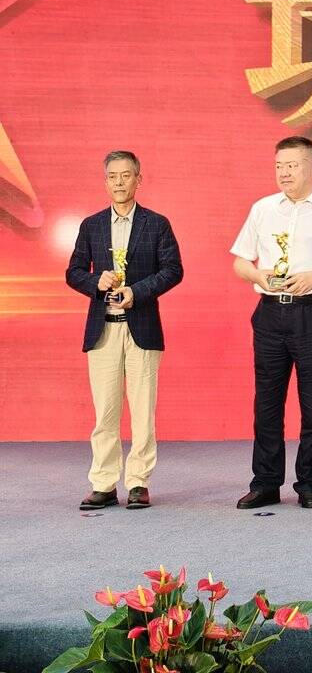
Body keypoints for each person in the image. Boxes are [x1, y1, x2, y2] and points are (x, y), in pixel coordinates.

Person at [230, 136, 312, 509]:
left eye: (292, 165)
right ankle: (265, 482)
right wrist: (258, 275)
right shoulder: (262, 209)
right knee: (267, 402)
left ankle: (308, 483)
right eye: (279, 166)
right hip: (270, 312)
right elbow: (240, 261)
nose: (284, 173)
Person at [65, 151, 184, 511]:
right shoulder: (91, 225)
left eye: (126, 175)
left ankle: (138, 482)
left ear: (138, 179)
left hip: (142, 329)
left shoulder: (157, 223)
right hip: (102, 330)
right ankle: (103, 484)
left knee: (143, 411)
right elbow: (73, 272)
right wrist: (95, 282)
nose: (119, 182)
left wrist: (137, 291)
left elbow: (173, 270)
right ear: (106, 182)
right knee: (105, 412)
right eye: (112, 176)